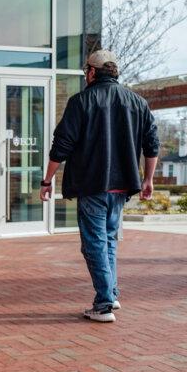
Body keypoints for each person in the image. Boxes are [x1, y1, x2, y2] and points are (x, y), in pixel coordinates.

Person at [40, 50, 159, 323]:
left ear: (92, 73)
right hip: (121, 186)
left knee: (94, 244)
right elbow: (152, 144)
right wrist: (148, 179)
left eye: (86, 73)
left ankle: (104, 303)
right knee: (108, 241)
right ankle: (112, 294)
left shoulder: (81, 101)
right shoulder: (138, 103)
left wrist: (47, 181)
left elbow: (62, 146)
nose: (86, 77)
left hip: (92, 184)